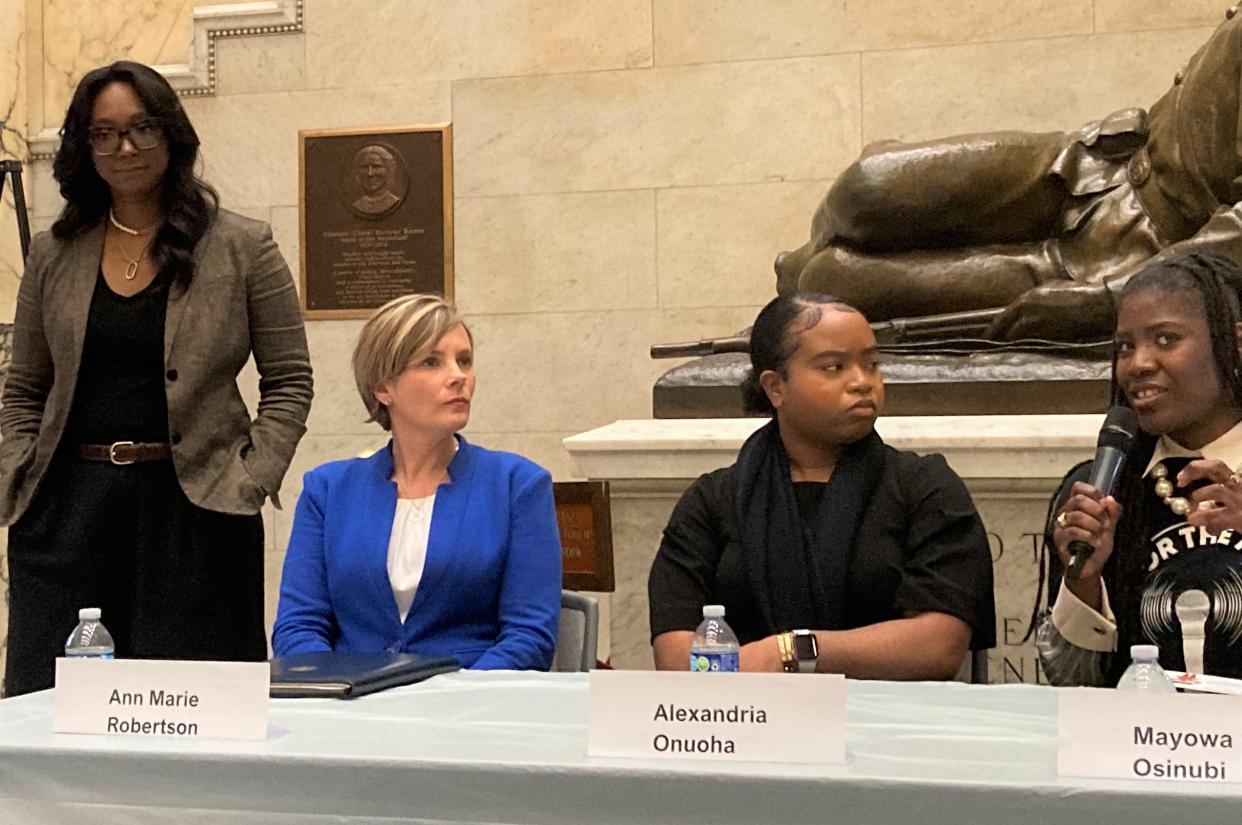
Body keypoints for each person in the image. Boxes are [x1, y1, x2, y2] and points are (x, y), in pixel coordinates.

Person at [0, 61, 313, 696]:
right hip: (68, 514)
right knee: (53, 715)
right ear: (85, 148)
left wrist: (252, 476)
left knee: (197, 712)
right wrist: (19, 471)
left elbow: (290, 378)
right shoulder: (55, 253)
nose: (126, 148)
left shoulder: (242, 246)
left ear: (172, 135)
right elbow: (22, 387)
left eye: (142, 128)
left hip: (197, 514)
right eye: (104, 133)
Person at [776, 6, 1242, 343]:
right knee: (865, 186)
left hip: (1123, 258)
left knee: (834, 282)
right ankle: (805, 258)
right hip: (1092, 163)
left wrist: (1111, 297)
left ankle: (808, 267)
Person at [647, 293, 995, 677]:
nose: (863, 383)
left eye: (872, 364)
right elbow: (676, 655)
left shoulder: (925, 488)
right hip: (748, 724)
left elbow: (938, 645)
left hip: (888, 722)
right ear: (775, 387)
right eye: (835, 367)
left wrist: (790, 653)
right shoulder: (712, 502)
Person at [272, 294, 561, 669]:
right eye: (431, 362)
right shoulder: (327, 491)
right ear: (383, 388)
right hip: (352, 707)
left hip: (470, 707)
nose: (459, 376)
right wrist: (340, 693)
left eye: (465, 360)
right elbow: (298, 626)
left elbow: (529, 637)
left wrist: (451, 701)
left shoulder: (518, 486)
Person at [1038, 252, 1242, 685]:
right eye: (1124, 347)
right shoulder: (1103, 490)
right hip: (1142, 748)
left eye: (1166, 339)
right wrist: (1084, 583)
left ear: (1236, 343)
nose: (1137, 364)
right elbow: (1071, 682)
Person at [350, 145, 402, 217]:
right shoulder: (357, 205)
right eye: (364, 167)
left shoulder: (394, 202)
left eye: (376, 166)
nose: (370, 173)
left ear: (388, 170)